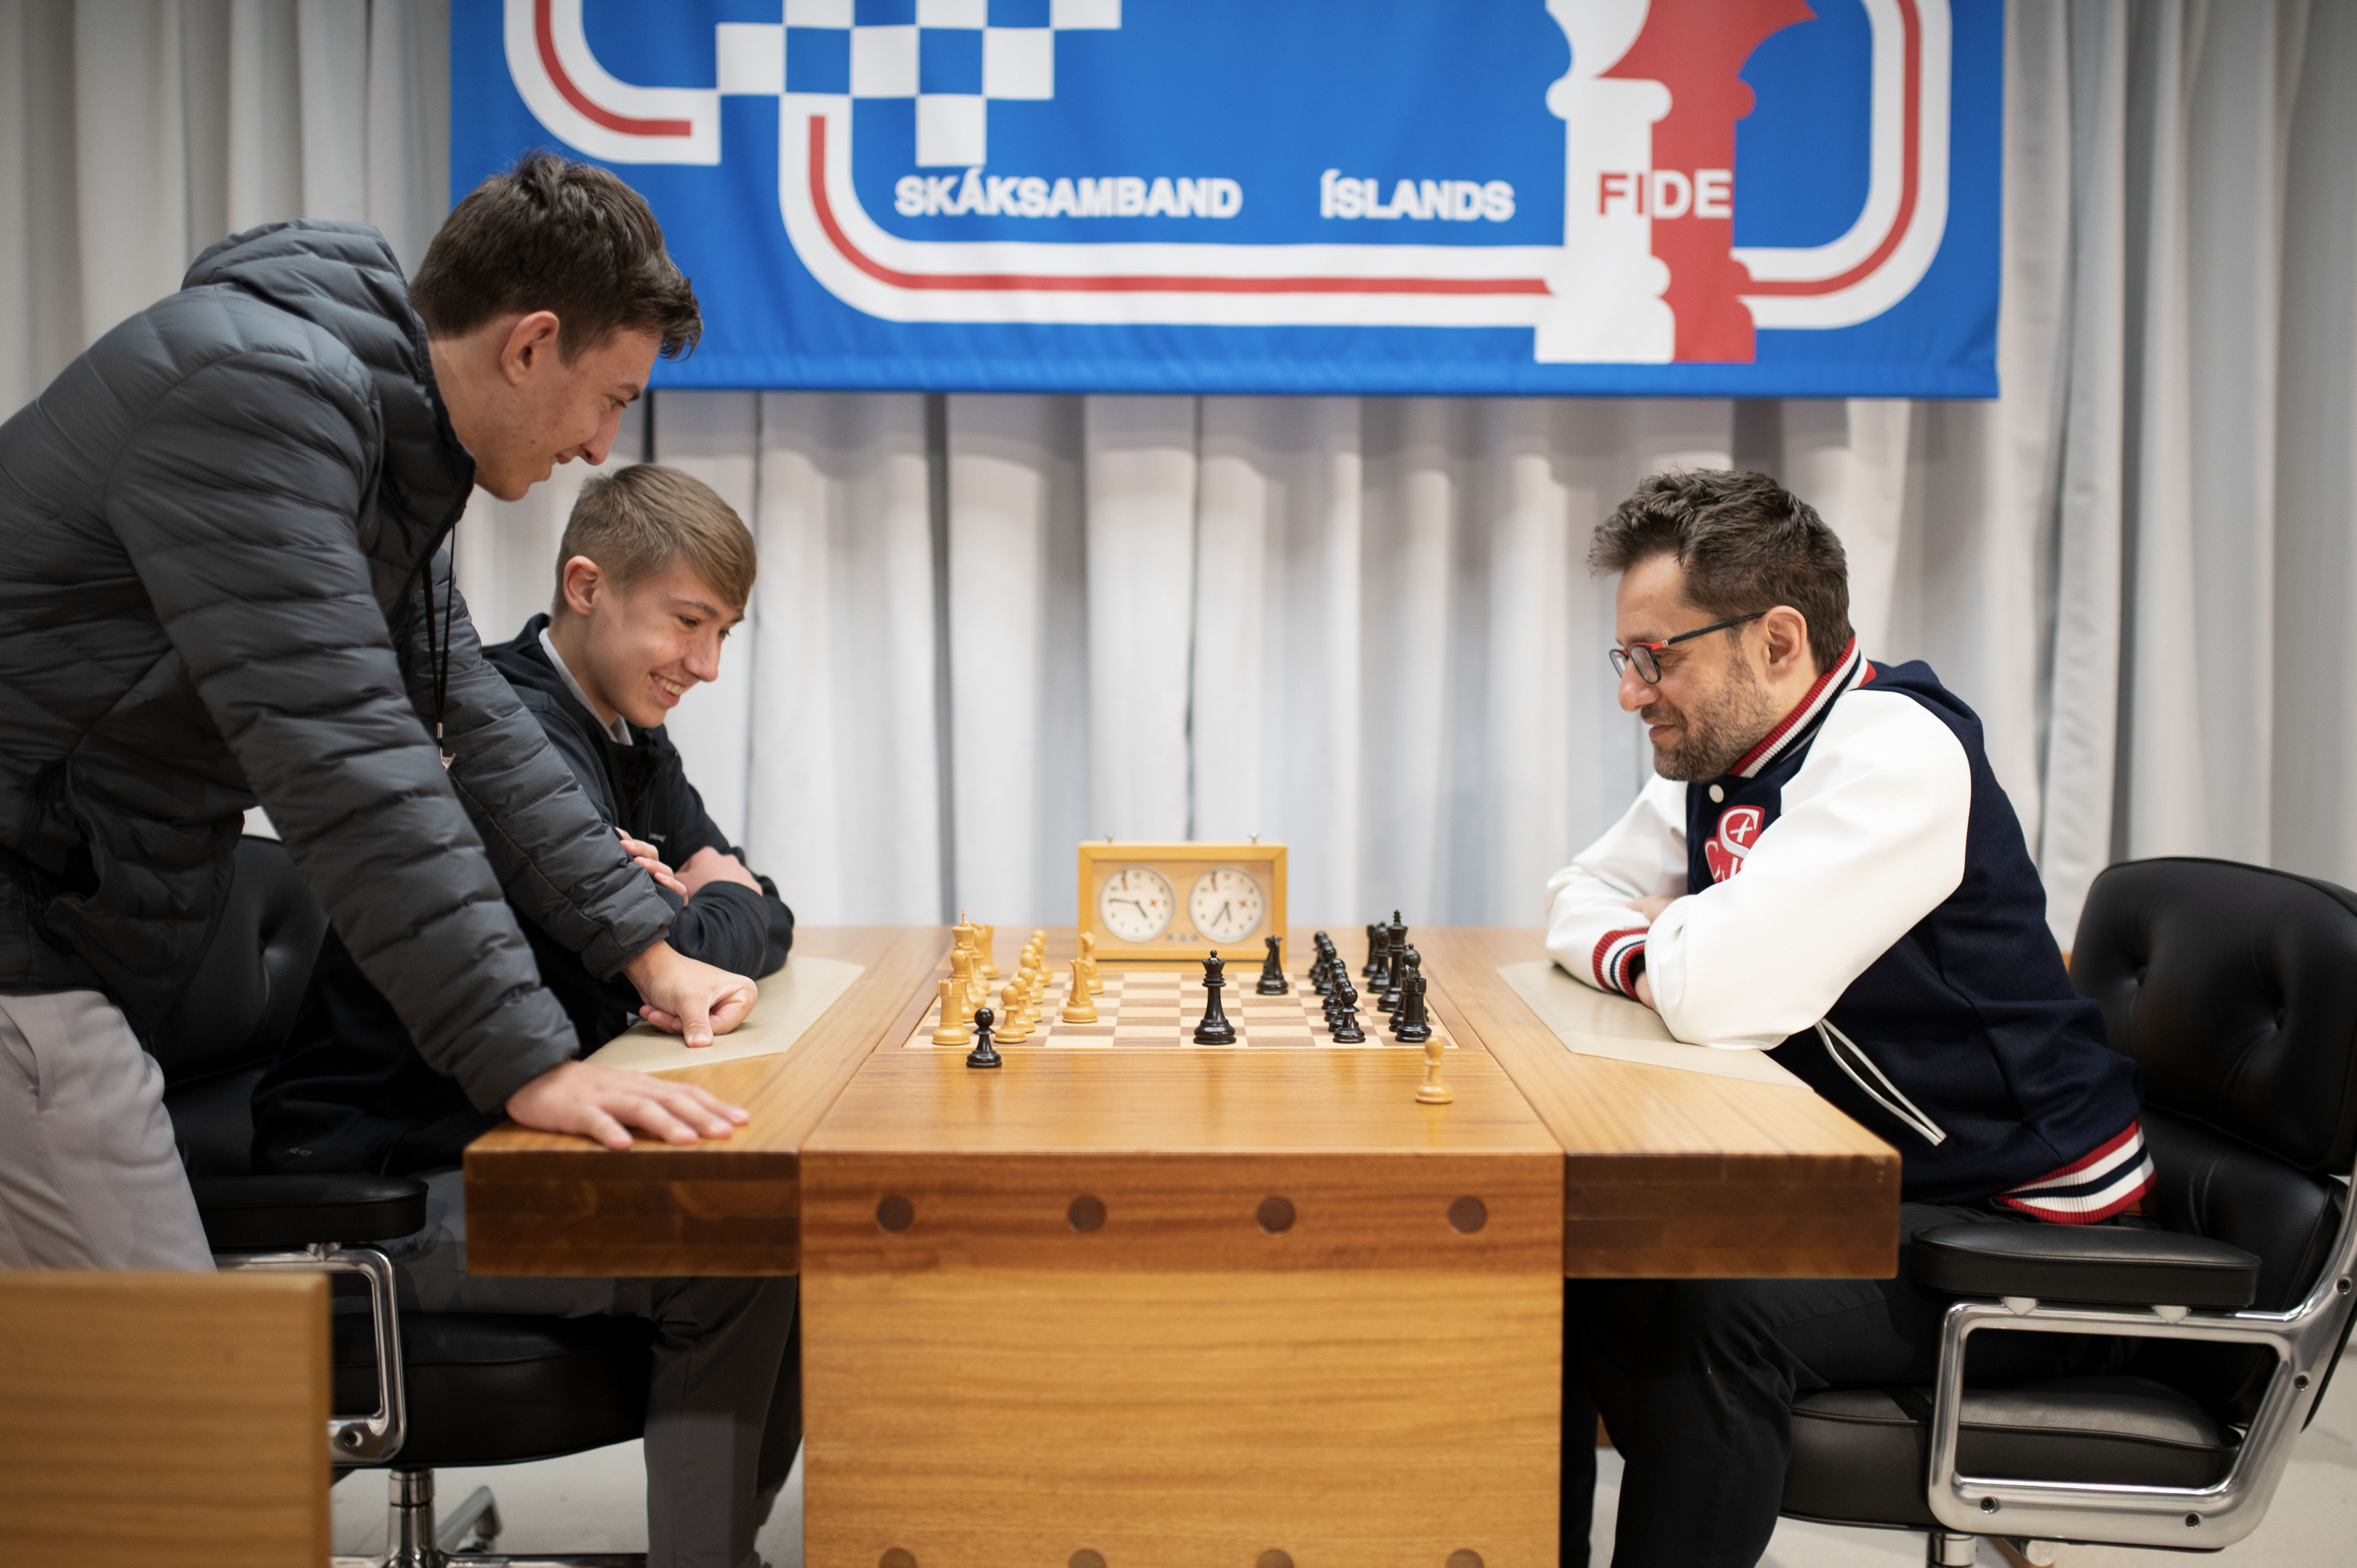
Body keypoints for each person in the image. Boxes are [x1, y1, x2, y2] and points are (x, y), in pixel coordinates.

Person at [1544, 470, 2150, 1568]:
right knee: (1573, 1261)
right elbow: (1573, 900)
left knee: (1720, 1309)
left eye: (1658, 656)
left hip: (2032, 1227)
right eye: (1627, 659)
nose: (1634, 693)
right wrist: (1670, 943)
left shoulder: (1894, 753)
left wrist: (1689, 941)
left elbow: (1719, 994)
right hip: (1899, 1186)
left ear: (1778, 640)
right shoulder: (1732, 752)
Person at [251, 463, 798, 1568]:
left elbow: (759, 917)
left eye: (725, 634)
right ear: (588, 587)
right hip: (388, 1190)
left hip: (499, 1150)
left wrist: (701, 897)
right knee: (741, 1252)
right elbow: (676, 951)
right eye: (688, 624)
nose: (707, 666)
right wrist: (694, 903)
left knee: (792, 1229)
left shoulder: (625, 734)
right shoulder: (504, 733)